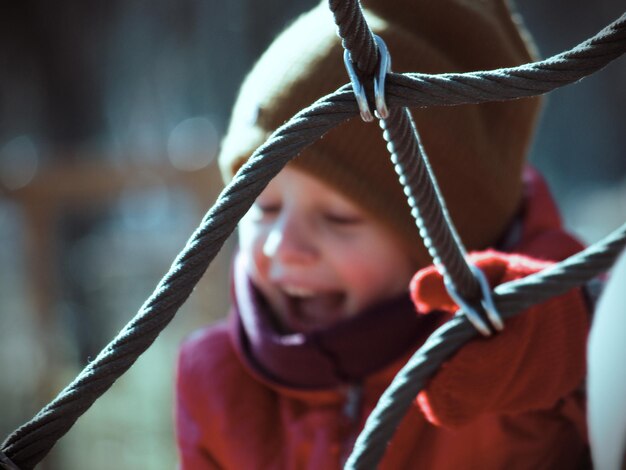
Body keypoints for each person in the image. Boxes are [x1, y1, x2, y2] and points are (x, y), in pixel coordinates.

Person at [175, 0, 591, 468]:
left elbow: (586, 323)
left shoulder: (508, 353)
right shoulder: (216, 380)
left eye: (338, 218)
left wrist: (545, 326)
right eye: (262, 207)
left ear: (441, 233)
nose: (282, 248)